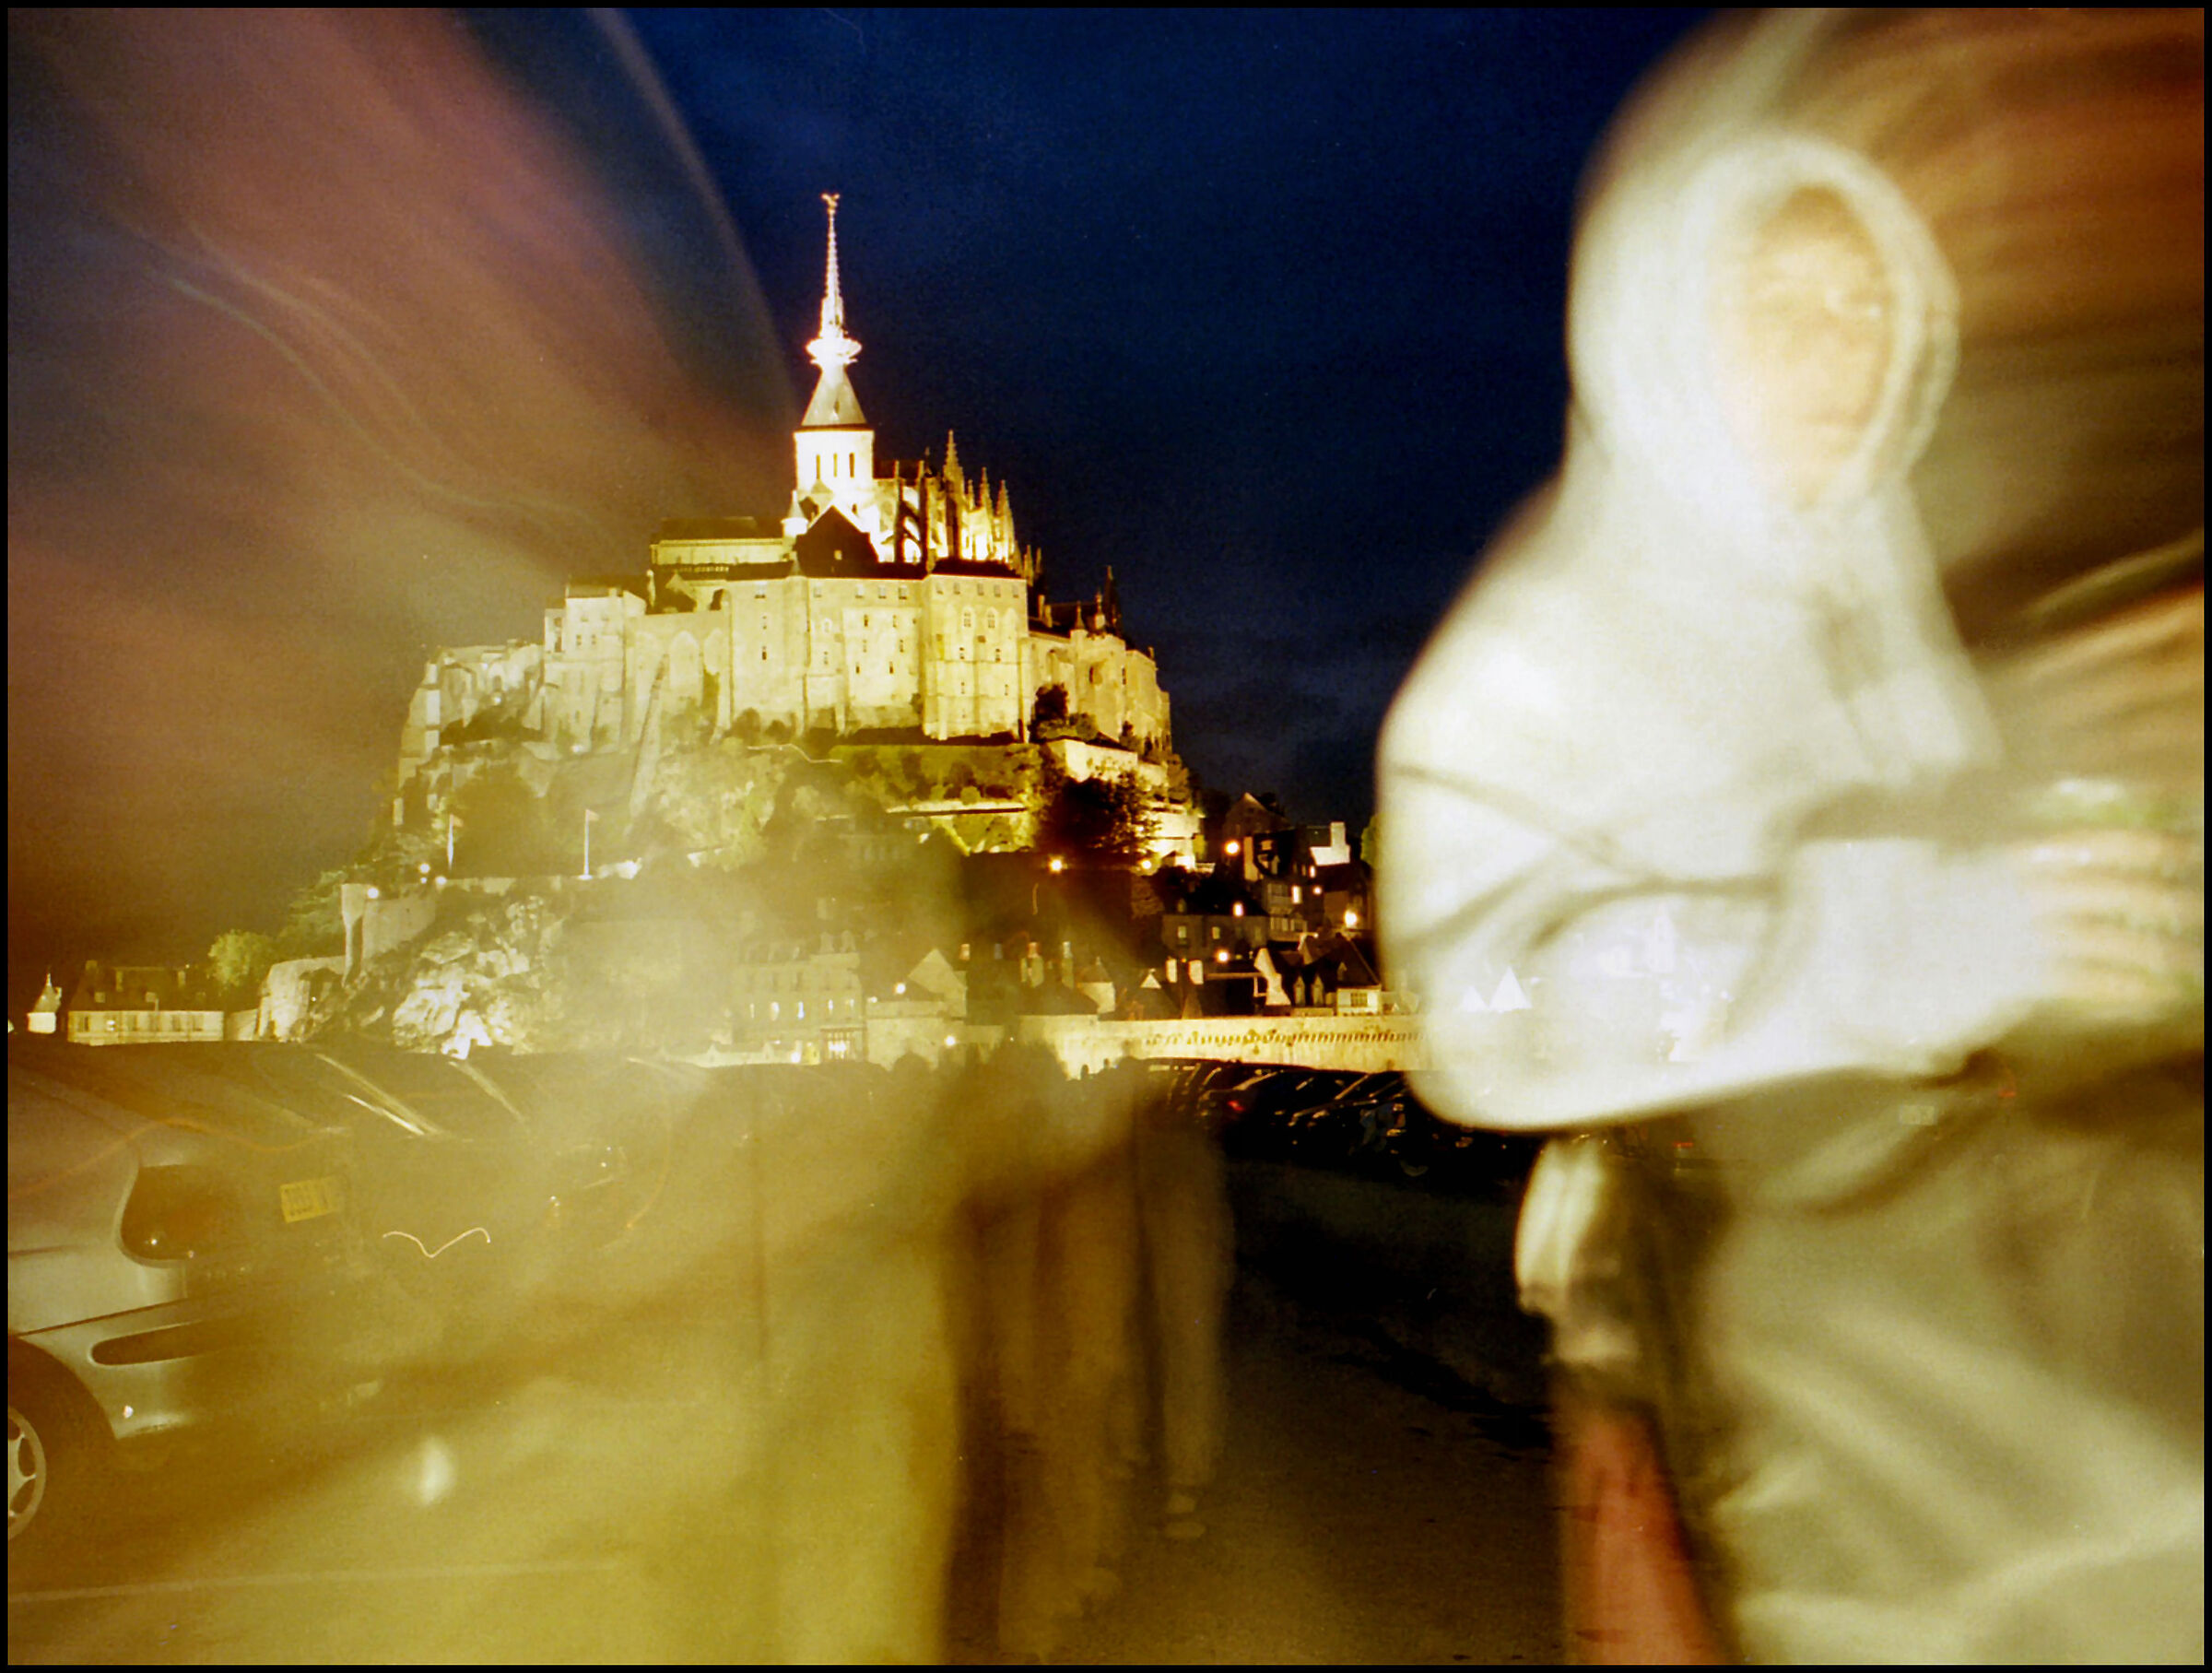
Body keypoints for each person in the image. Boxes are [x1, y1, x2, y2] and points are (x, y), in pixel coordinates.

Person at [1378, 10, 2201, 1662]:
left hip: (2001, 1345)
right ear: (1673, 322)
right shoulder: (1544, 649)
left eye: (1866, 304)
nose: (1838, 354)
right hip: (1763, 1384)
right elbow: (1479, 1010)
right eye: (1782, 304)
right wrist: (1891, 950)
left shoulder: (1888, 607)